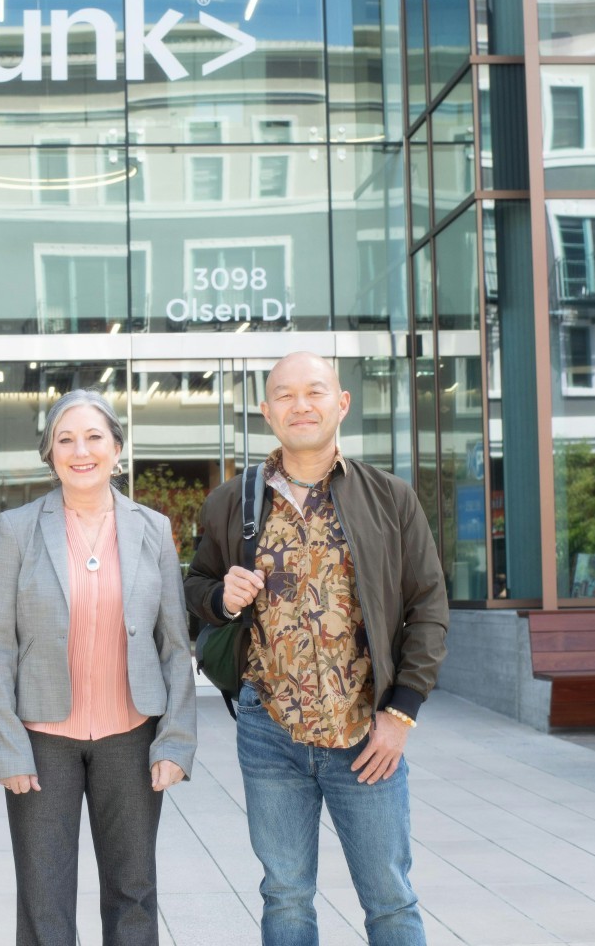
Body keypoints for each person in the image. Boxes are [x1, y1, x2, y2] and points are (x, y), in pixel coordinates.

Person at [185, 351, 449, 946]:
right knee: (284, 893)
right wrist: (222, 597)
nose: (300, 405)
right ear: (265, 410)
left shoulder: (389, 498)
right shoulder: (234, 500)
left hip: (366, 732)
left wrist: (401, 712)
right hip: (268, 730)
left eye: (314, 392)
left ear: (341, 403)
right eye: (284, 395)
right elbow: (196, 588)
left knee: (389, 898)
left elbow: (428, 608)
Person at [0, 388, 197, 946]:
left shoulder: (153, 529)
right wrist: (7, 748)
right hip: (42, 739)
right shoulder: (18, 529)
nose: (81, 450)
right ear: (49, 453)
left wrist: (174, 741)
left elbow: (174, 643)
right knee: (44, 896)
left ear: (117, 449)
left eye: (94, 437)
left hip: (131, 734)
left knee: (134, 891)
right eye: (65, 439)